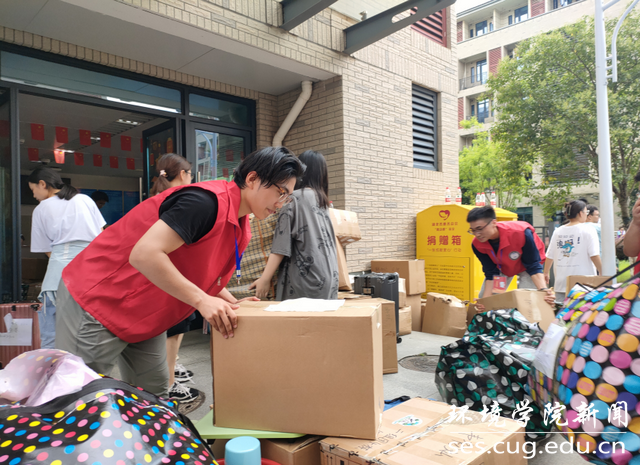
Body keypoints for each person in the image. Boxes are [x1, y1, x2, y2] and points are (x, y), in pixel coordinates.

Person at [55, 146, 305, 397]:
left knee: (153, 395)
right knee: (77, 397)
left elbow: (202, 273)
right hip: (100, 298)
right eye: (281, 192)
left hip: (145, 310)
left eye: (288, 197)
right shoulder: (204, 202)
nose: (281, 203)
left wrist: (231, 303)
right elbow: (145, 254)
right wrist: (201, 300)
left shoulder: (239, 223)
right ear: (252, 179)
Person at [149, 153, 204, 414]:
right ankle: (169, 384)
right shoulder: (182, 200)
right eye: (190, 173)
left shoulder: (155, 199)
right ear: (183, 174)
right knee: (173, 333)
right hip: (175, 275)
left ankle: (170, 373)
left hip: (161, 276)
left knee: (170, 333)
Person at [28, 167, 106, 349]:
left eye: (33, 190)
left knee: (51, 332)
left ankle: (55, 365)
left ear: (42, 184)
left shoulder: (41, 209)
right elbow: (102, 235)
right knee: (90, 331)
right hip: (92, 272)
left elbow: (47, 250)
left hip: (59, 275)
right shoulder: (85, 199)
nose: (33, 195)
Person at [250, 150, 339, 300]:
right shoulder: (322, 200)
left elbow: (281, 245)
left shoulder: (293, 199)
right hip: (330, 275)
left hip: (307, 279)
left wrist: (265, 279)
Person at [467, 206, 555, 308]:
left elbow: (533, 266)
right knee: (488, 299)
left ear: (494, 223)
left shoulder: (521, 233)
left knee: (528, 300)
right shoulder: (477, 244)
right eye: (473, 230)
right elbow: (491, 273)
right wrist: (485, 302)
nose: (477, 234)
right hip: (503, 266)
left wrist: (543, 290)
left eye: (479, 229)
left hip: (528, 267)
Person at [544, 200, 602, 303]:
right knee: (581, 311)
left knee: (562, 311)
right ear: (580, 213)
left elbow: (550, 255)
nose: (586, 214)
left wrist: (545, 272)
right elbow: (594, 255)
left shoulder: (558, 231)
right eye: (586, 212)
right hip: (583, 284)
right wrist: (602, 271)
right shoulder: (588, 230)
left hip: (561, 283)